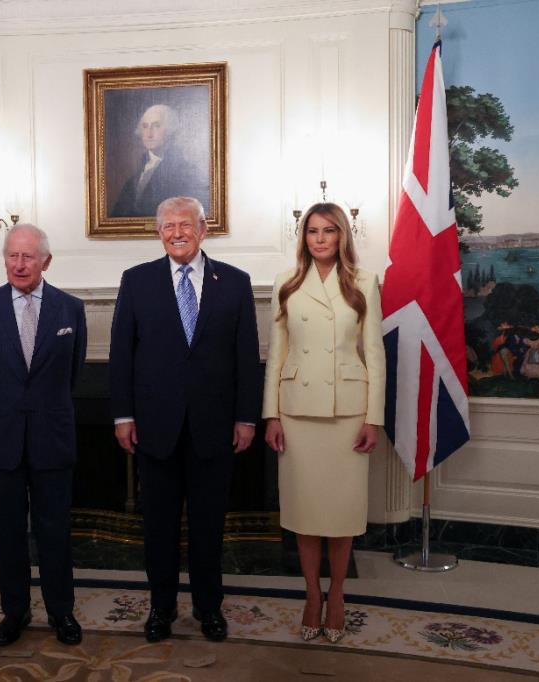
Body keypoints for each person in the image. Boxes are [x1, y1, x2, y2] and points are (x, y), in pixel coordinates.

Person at [110, 196, 261, 643]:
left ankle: (208, 608)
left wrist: (247, 418)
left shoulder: (235, 282)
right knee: (158, 527)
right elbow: (121, 355)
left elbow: (246, 357)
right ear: (159, 233)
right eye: (168, 226)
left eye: (186, 225)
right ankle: (162, 608)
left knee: (208, 527)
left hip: (214, 428)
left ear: (203, 230)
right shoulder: (136, 281)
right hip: (154, 428)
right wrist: (123, 415)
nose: (177, 233)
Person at [262, 203, 385, 645]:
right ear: (304, 237)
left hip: (347, 411)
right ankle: (312, 595)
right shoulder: (286, 283)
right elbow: (277, 354)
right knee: (305, 512)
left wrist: (374, 418)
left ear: (341, 236)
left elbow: (375, 353)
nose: (319, 239)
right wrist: (271, 414)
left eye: (328, 231)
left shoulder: (364, 281)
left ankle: (337, 595)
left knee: (342, 513)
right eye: (312, 231)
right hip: (297, 412)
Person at [0, 224, 87, 647]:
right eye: (12, 256)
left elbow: (72, 373)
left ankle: (61, 611)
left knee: (55, 530)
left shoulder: (71, 309)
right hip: (0, 437)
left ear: (45, 262)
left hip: (51, 435)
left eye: (28, 257)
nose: (19, 264)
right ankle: (14, 611)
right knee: (7, 532)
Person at [111, 104, 209, 217]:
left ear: (170, 130)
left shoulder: (186, 172)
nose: (149, 134)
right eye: (145, 126)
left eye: (156, 126)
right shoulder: (136, 176)